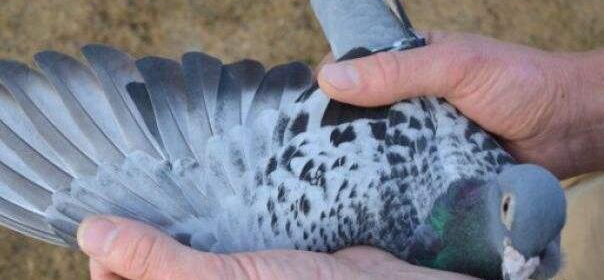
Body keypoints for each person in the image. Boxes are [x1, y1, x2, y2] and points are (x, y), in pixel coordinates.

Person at [77, 32, 604, 280]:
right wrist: (576, 107)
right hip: (391, 109)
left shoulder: (527, 242)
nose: (520, 263)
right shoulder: (393, 200)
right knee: (223, 228)